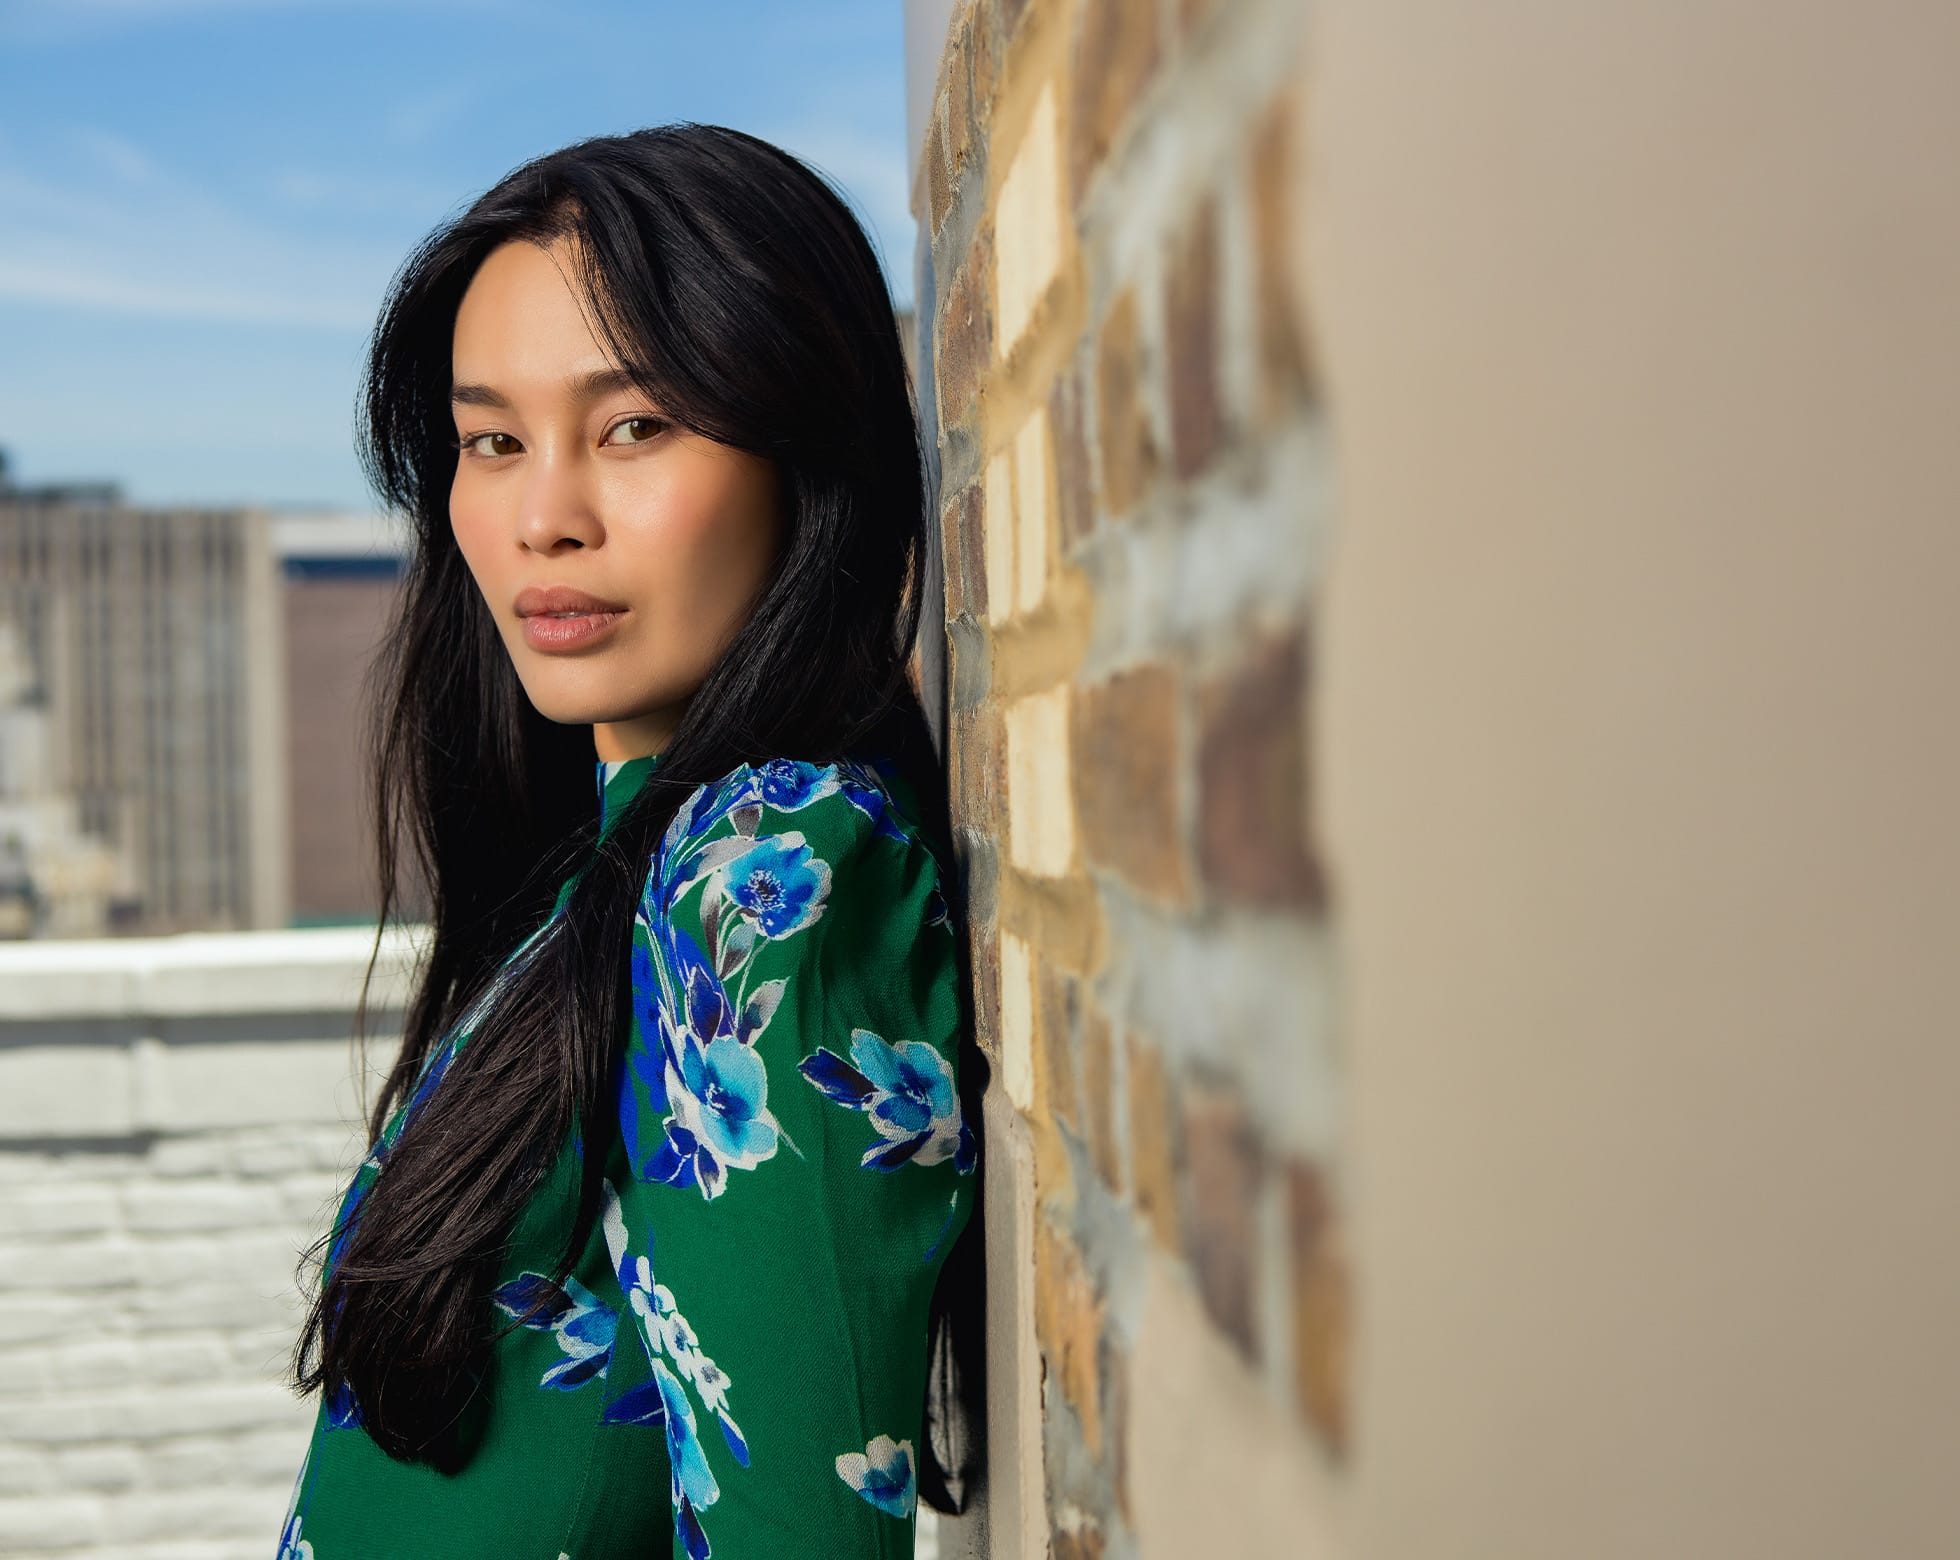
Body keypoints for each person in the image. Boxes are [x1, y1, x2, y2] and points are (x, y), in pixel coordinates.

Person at [276, 124, 986, 1560]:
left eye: (635, 427)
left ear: (807, 449)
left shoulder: (763, 875)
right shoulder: (612, 876)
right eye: (493, 441)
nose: (545, 518)